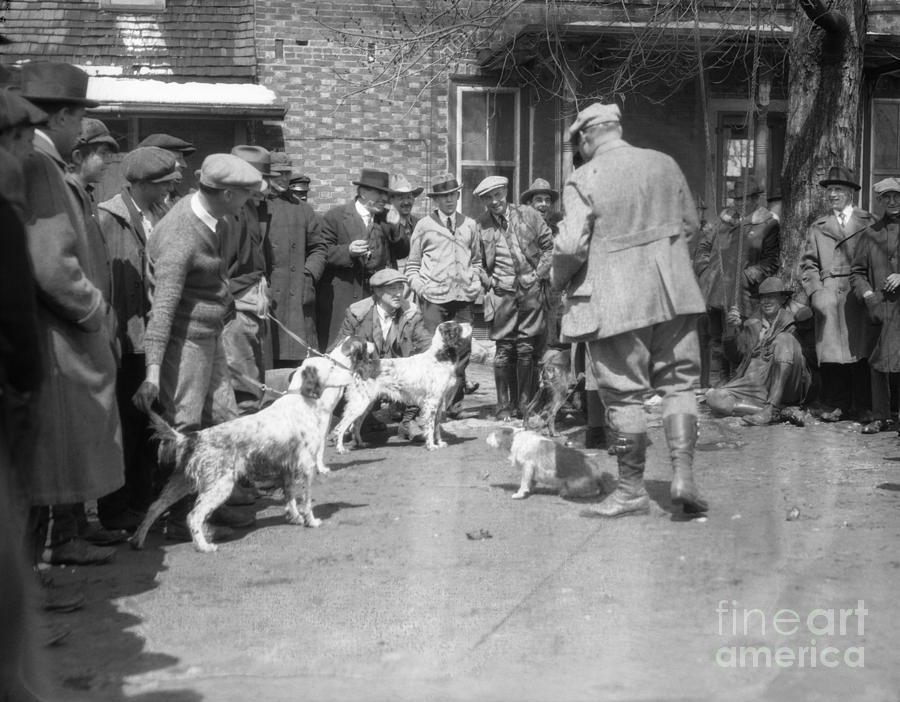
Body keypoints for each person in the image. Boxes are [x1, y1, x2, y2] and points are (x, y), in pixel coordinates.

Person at [552, 102, 708, 518]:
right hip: (674, 293)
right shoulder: (664, 162)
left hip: (616, 298)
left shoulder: (584, 177)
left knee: (624, 395)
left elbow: (569, 246)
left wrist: (558, 279)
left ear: (586, 138)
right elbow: (691, 225)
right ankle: (683, 477)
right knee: (679, 385)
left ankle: (631, 491)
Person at [20, 62, 125, 564]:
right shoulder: (41, 166)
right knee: (49, 462)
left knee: (55, 460)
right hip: (60, 342)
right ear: (60, 117)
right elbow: (53, 264)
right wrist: (95, 310)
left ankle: (54, 553)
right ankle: (43, 568)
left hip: (58, 339)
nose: (80, 127)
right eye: (77, 115)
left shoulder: (43, 165)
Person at [133, 153, 265, 542]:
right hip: (183, 340)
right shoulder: (180, 236)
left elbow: (215, 279)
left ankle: (216, 501)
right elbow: (162, 313)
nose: (248, 204)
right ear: (225, 193)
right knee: (184, 426)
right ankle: (175, 517)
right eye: (244, 196)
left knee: (225, 417)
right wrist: (154, 375)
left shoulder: (218, 219)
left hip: (211, 334)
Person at [97, 146, 181, 531]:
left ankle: (143, 500)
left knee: (150, 421)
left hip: (155, 336)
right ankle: (115, 510)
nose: (169, 189)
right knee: (124, 426)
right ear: (142, 183)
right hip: (124, 338)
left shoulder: (160, 213)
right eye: (162, 184)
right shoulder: (108, 217)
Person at [800, 166, 876, 423]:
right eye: (830, 190)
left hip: (858, 294)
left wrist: (871, 292)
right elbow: (808, 264)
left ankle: (863, 405)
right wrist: (816, 293)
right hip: (829, 292)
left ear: (850, 194)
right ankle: (836, 404)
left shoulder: (868, 222)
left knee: (861, 351)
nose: (833, 194)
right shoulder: (818, 226)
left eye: (838, 190)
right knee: (832, 354)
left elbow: (878, 259)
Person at [476, 175, 553, 419]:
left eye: (497, 195)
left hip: (530, 290)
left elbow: (550, 248)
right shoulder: (481, 225)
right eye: (488, 198)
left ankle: (525, 404)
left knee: (526, 348)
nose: (494, 201)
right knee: (503, 349)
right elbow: (476, 261)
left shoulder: (529, 215)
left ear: (506, 192)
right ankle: (503, 406)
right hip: (502, 294)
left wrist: (538, 275)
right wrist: (490, 281)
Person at [405, 173, 483, 411]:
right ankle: (432, 404)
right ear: (435, 200)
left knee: (463, 350)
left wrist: (475, 281)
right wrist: (422, 288)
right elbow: (412, 265)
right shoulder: (424, 225)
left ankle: (455, 403)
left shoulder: (470, 224)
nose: (449, 200)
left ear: (458, 195)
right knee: (434, 352)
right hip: (434, 300)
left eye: (452, 195)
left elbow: (477, 261)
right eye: (443, 196)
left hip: (462, 299)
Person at [694, 175, 780, 379]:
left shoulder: (767, 225)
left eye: (746, 199)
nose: (741, 203)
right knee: (716, 338)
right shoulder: (722, 221)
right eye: (737, 199)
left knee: (740, 337)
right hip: (715, 288)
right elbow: (703, 246)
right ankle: (716, 384)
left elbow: (771, 260)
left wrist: (749, 276)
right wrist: (704, 270)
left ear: (756, 199)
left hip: (743, 292)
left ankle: (737, 384)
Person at [316, 168, 409, 350]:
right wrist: (347, 251)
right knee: (340, 349)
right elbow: (322, 252)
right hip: (342, 297)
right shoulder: (336, 217)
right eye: (379, 193)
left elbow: (403, 251)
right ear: (363, 192)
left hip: (375, 299)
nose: (385, 199)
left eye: (386, 194)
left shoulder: (386, 219)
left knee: (372, 349)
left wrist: (397, 227)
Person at [337, 268, 433, 440]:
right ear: (378, 291)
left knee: (422, 377)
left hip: (400, 379)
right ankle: (354, 422)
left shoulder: (411, 313)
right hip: (368, 375)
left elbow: (426, 344)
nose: (398, 294)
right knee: (364, 426)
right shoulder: (357, 313)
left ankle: (408, 421)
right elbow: (339, 351)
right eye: (392, 289)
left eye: (400, 288)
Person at [705, 278, 813, 426]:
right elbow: (735, 357)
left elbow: (809, 359)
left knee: (784, 339)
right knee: (714, 397)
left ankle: (773, 406)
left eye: (772, 296)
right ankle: (776, 412)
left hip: (784, 383)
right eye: (763, 298)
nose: (766, 301)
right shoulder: (751, 324)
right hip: (753, 384)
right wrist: (731, 330)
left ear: (782, 299)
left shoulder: (794, 322)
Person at [222, 145, 276, 414]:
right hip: (236, 305)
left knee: (254, 380)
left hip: (253, 301)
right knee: (243, 386)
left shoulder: (251, 208)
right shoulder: (227, 211)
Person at [265, 151, 328, 365]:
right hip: (265, 295)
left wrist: (308, 275)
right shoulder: (254, 206)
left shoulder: (303, 210)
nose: (284, 178)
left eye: (287, 173)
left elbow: (319, 247)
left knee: (300, 366)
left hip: (297, 299)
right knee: (264, 359)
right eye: (278, 174)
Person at [850, 177, 900, 435]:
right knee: (878, 363)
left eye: (897, 196)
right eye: (887, 197)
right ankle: (880, 416)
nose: (892, 202)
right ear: (879, 201)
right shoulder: (871, 234)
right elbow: (856, 272)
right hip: (879, 309)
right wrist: (868, 294)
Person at [136, 132, 196, 209]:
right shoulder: (130, 204)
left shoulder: (178, 201)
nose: (184, 165)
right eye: (178, 159)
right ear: (155, 161)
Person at [387, 173, 423, 272]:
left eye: (409, 197)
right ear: (391, 200)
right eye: (401, 198)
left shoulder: (419, 224)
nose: (407, 202)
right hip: (393, 281)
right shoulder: (384, 225)